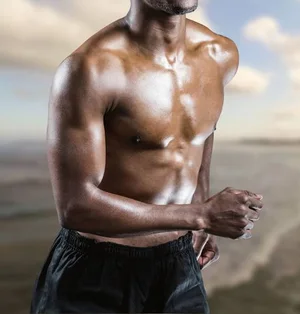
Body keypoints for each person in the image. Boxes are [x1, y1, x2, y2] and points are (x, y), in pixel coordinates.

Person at [30, 0, 263, 313]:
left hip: (179, 263)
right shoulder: (91, 68)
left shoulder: (220, 55)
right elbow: (76, 206)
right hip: (95, 272)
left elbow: (202, 135)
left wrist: (201, 221)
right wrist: (202, 215)